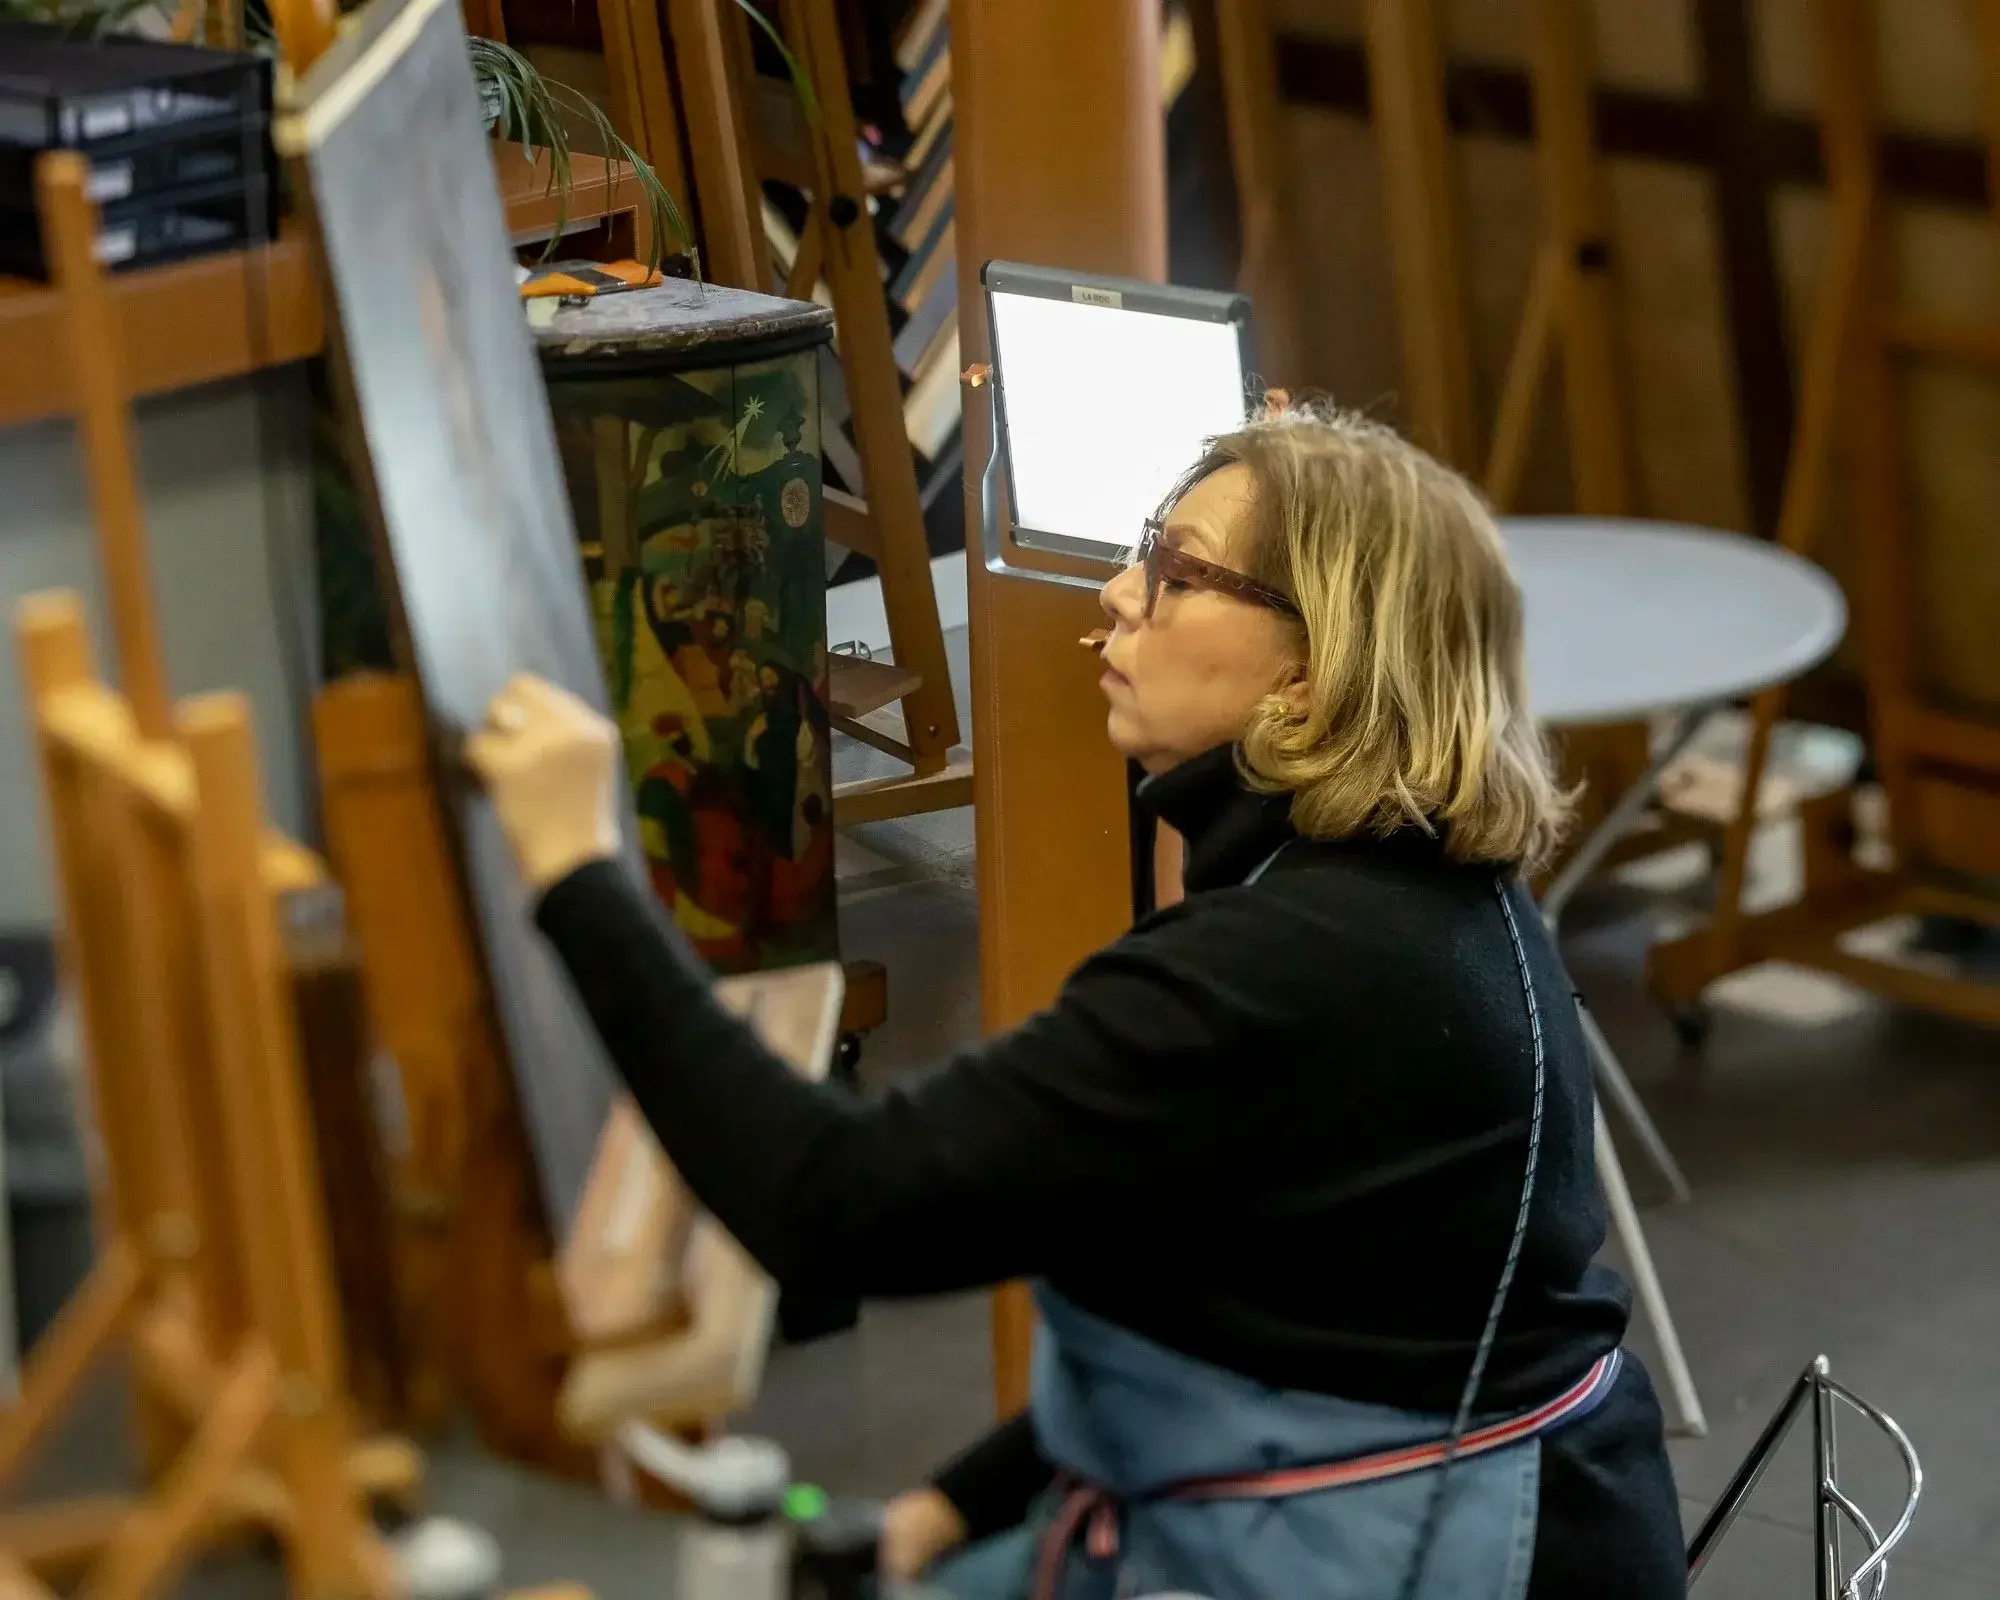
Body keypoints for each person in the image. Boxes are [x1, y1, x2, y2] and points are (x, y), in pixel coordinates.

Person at [467, 405, 1685, 1600]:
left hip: (1438, 1548)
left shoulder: (1286, 967)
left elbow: (831, 1203)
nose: (1115, 594)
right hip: (1493, 1510)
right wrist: (953, 1506)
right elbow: (1245, 1310)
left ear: (1311, 679)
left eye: (1174, 570)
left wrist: (578, 868)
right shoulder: (1420, 892)